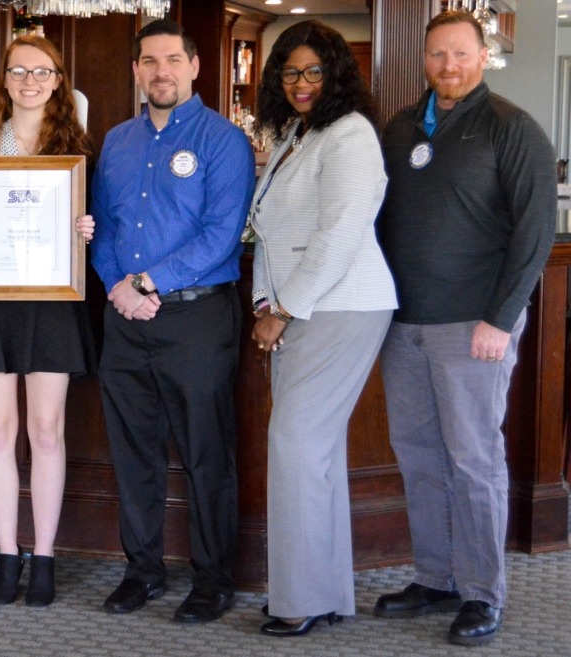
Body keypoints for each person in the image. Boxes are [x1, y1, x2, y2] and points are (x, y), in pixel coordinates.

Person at [374, 10, 556, 647]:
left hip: (473, 328)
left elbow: (533, 236)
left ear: (484, 57)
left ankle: (482, 592)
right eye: (437, 56)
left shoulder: (513, 129)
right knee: (420, 457)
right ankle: (437, 577)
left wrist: (500, 320)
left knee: (474, 463)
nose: (448, 67)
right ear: (424, 60)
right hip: (403, 327)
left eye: (460, 55)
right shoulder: (399, 128)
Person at [90, 19, 254, 623]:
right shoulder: (117, 140)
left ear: (193, 67)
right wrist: (117, 285)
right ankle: (143, 571)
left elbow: (222, 234)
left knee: (206, 451)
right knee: (134, 452)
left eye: (172, 60)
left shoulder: (222, 140)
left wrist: (147, 283)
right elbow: (104, 227)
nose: (161, 71)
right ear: (136, 70)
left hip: (197, 318)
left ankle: (213, 579)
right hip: (125, 321)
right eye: (149, 62)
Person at [247, 21, 397, 637]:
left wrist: (281, 310)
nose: (301, 83)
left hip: (341, 305)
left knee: (295, 445)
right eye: (289, 72)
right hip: (304, 306)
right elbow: (272, 228)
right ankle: (324, 590)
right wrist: (267, 300)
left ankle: (299, 598)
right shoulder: (296, 134)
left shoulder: (352, 134)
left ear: (336, 74)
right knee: (315, 452)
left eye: (313, 71)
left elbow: (337, 237)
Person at [0, 35, 95, 607]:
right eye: (18, 71)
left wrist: (86, 230)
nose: (29, 81)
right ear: (4, 80)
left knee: (47, 431)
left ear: (58, 80)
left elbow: (93, 226)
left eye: (41, 72)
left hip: (54, 302)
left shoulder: (79, 146)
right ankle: (8, 554)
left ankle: (47, 557)